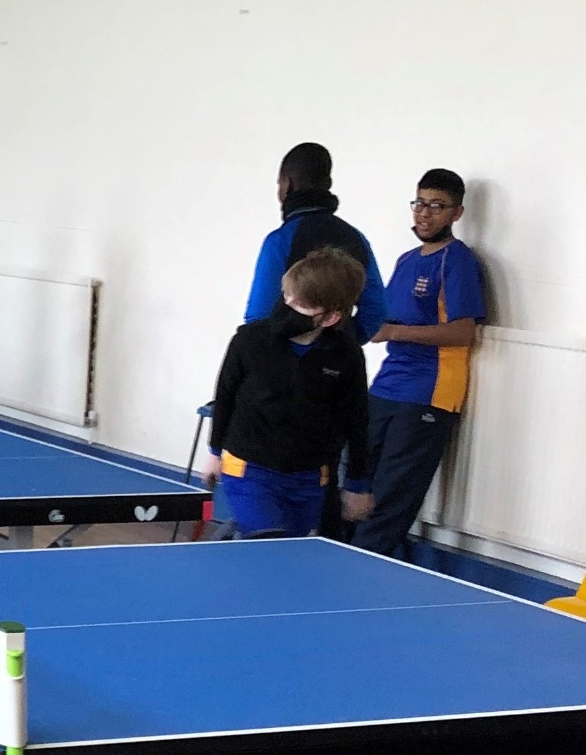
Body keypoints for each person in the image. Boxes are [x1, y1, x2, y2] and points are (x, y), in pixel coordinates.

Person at [351, 169, 486, 557]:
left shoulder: (456, 261)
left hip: (429, 391)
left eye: (437, 206)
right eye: (420, 203)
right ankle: (339, 557)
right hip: (386, 385)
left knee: (392, 495)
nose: (425, 214)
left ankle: (366, 572)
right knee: (357, 482)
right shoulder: (406, 260)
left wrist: (393, 333)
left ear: (457, 213)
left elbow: (463, 332)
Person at [201, 248, 376, 538]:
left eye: (301, 304)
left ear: (330, 318)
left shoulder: (346, 356)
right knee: (267, 542)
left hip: (308, 478)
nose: (288, 305)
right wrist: (214, 452)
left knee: (290, 553)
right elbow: (226, 396)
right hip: (248, 467)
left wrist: (357, 484)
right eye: (287, 296)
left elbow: (357, 421)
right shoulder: (250, 340)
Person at [243, 142, 387, 343]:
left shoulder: (280, 240)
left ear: (287, 184)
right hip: (338, 365)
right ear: (328, 183)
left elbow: (258, 317)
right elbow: (376, 310)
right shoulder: (356, 238)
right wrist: (342, 342)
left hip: (283, 364)